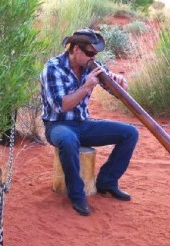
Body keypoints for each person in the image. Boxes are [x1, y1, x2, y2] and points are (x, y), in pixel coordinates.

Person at [40, 28, 139, 216]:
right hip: (57, 125)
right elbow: (62, 106)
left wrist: (119, 83)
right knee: (68, 140)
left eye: (95, 54)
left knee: (130, 133)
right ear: (76, 49)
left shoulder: (91, 65)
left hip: (83, 124)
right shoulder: (52, 68)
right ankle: (77, 195)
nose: (93, 57)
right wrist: (86, 87)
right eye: (90, 53)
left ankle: (107, 183)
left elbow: (117, 94)